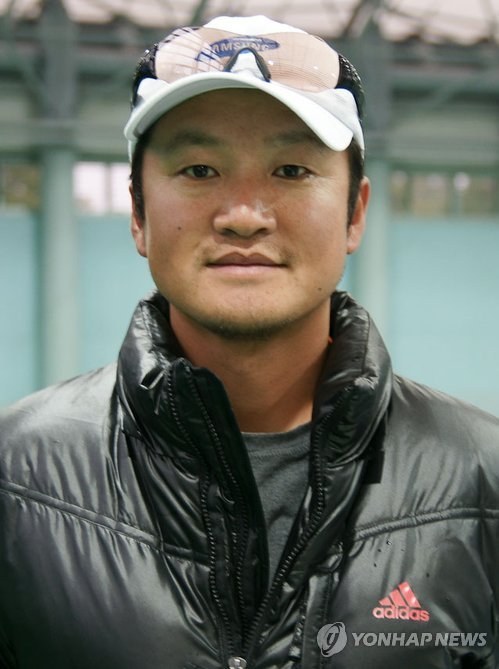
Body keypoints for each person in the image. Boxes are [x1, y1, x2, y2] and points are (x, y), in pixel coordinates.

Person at [0, 14, 498, 669]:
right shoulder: (16, 477)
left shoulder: (481, 477)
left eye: (290, 169)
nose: (242, 216)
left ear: (354, 213)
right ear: (138, 213)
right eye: (198, 168)